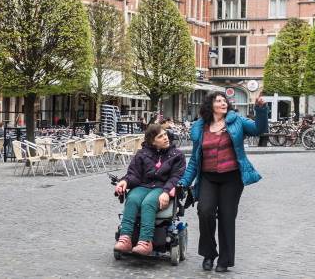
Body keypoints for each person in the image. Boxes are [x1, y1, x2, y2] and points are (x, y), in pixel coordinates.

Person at [178, 92, 268, 273]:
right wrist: (184, 182)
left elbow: (259, 129)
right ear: (210, 105)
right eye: (218, 100)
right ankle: (209, 254)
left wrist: (260, 109)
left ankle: (225, 260)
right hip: (208, 177)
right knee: (205, 212)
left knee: (227, 216)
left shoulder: (237, 122)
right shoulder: (199, 127)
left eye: (224, 100)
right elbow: (195, 160)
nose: (223, 103)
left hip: (232, 178)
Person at [112, 124, 186, 256]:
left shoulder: (177, 155)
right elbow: (134, 174)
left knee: (149, 203)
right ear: (152, 141)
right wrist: (125, 181)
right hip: (143, 186)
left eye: (165, 134)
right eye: (160, 136)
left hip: (162, 187)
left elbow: (176, 177)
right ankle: (125, 239)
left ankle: (145, 241)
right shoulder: (142, 154)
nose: (165, 138)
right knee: (132, 199)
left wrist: (166, 192)